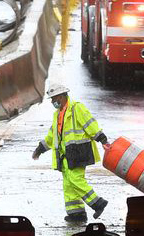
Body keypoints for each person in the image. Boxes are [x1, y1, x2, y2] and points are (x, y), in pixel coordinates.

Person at [33, 81, 109, 223]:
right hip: (65, 155)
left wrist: (102, 139)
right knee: (68, 184)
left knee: (75, 180)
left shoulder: (76, 108)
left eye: (54, 99)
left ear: (61, 97)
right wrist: (40, 149)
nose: (52, 103)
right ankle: (76, 213)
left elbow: (89, 123)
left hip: (79, 152)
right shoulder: (58, 115)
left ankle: (98, 203)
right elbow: (52, 136)